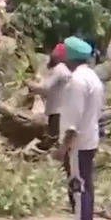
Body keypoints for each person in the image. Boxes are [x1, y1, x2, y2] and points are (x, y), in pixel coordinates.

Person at [53, 37, 103, 220]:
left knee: (79, 187)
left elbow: (73, 121)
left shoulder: (76, 82)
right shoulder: (92, 77)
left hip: (78, 143)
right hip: (89, 138)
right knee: (83, 185)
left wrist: (63, 148)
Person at [28, 43, 74, 209]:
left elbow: (45, 88)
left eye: (53, 54)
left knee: (53, 140)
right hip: (57, 110)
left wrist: (31, 85)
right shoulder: (60, 70)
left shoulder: (60, 69)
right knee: (53, 139)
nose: (51, 56)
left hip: (58, 111)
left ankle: (43, 165)